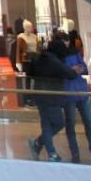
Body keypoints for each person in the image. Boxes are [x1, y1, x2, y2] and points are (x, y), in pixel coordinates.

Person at [28, 37, 79, 163]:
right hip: (51, 97)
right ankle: (40, 143)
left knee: (46, 124)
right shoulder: (54, 61)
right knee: (58, 123)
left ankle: (50, 152)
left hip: (40, 95)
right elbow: (70, 74)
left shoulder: (42, 58)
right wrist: (75, 71)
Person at [63, 33, 91, 163]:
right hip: (70, 92)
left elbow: (84, 68)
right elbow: (66, 71)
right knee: (71, 123)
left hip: (80, 91)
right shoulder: (61, 55)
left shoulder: (75, 53)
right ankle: (75, 154)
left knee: (88, 121)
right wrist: (74, 70)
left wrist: (73, 70)